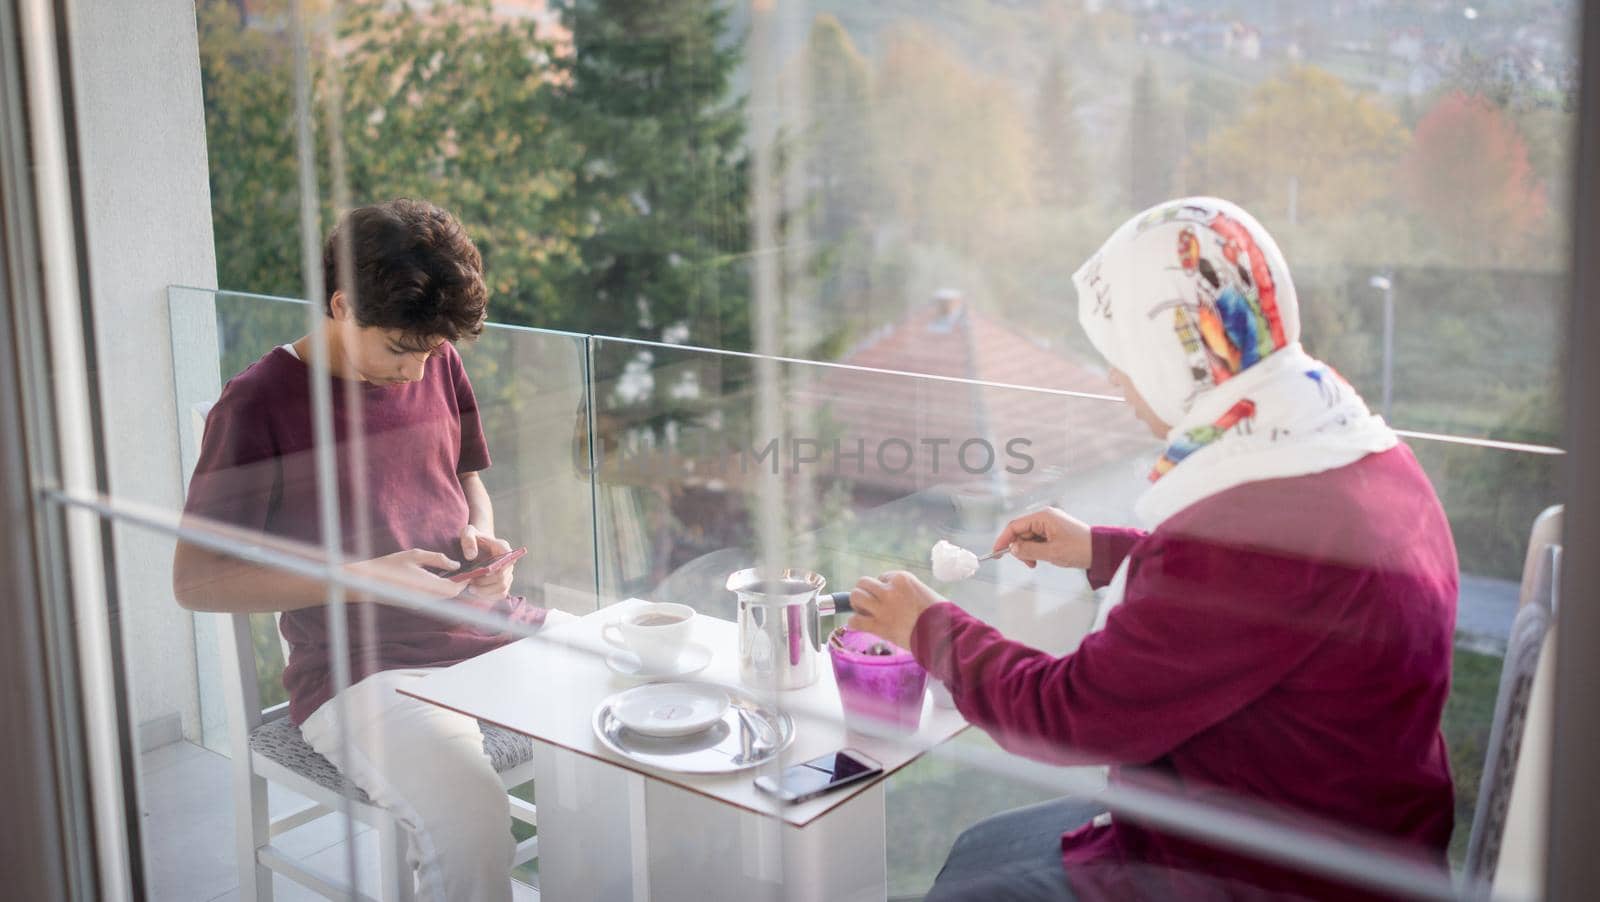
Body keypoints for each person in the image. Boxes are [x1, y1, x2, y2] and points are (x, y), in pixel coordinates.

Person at [846, 197, 1457, 901]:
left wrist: (929, 627)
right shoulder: (1346, 444)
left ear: (1176, 354)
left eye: (1123, 357)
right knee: (982, 849)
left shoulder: (1243, 529)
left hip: (1274, 869)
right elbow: (1266, 600)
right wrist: (1104, 551)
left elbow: (1070, 718)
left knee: (966, 886)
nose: (1114, 379)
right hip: (1344, 828)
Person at [174, 199, 548, 902]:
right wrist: (358, 579)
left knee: (636, 710)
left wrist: (480, 540)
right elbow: (195, 584)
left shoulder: (434, 357)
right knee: (470, 820)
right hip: (360, 668)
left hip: (483, 629)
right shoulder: (256, 405)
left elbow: (467, 480)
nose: (416, 374)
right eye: (400, 352)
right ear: (343, 306)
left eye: (433, 353)